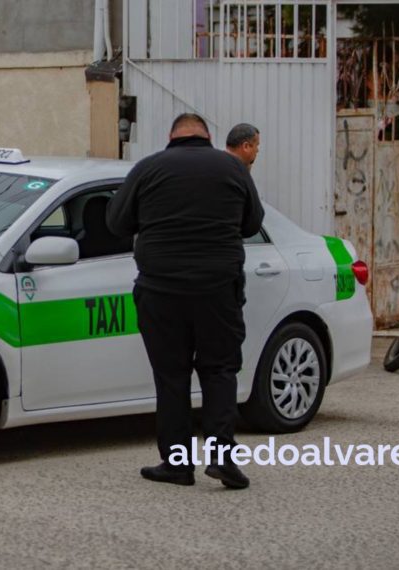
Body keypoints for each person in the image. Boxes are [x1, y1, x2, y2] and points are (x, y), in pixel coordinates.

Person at [106, 113, 264, 489]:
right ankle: (222, 459)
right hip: (218, 290)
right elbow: (252, 223)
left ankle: (177, 464)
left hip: (162, 292)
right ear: (208, 136)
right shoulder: (233, 168)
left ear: (171, 136)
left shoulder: (148, 169)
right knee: (220, 369)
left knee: (172, 376)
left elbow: (116, 223)